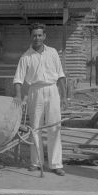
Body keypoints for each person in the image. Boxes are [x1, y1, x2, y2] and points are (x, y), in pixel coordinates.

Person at [13, 23, 67, 176]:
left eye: (39, 35)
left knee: (54, 127)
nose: (37, 38)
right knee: (35, 128)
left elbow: (61, 75)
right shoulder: (25, 57)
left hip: (52, 90)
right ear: (31, 37)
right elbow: (18, 79)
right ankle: (35, 163)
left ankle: (56, 164)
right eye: (34, 35)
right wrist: (18, 96)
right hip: (35, 91)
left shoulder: (53, 52)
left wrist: (64, 96)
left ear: (44, 36)